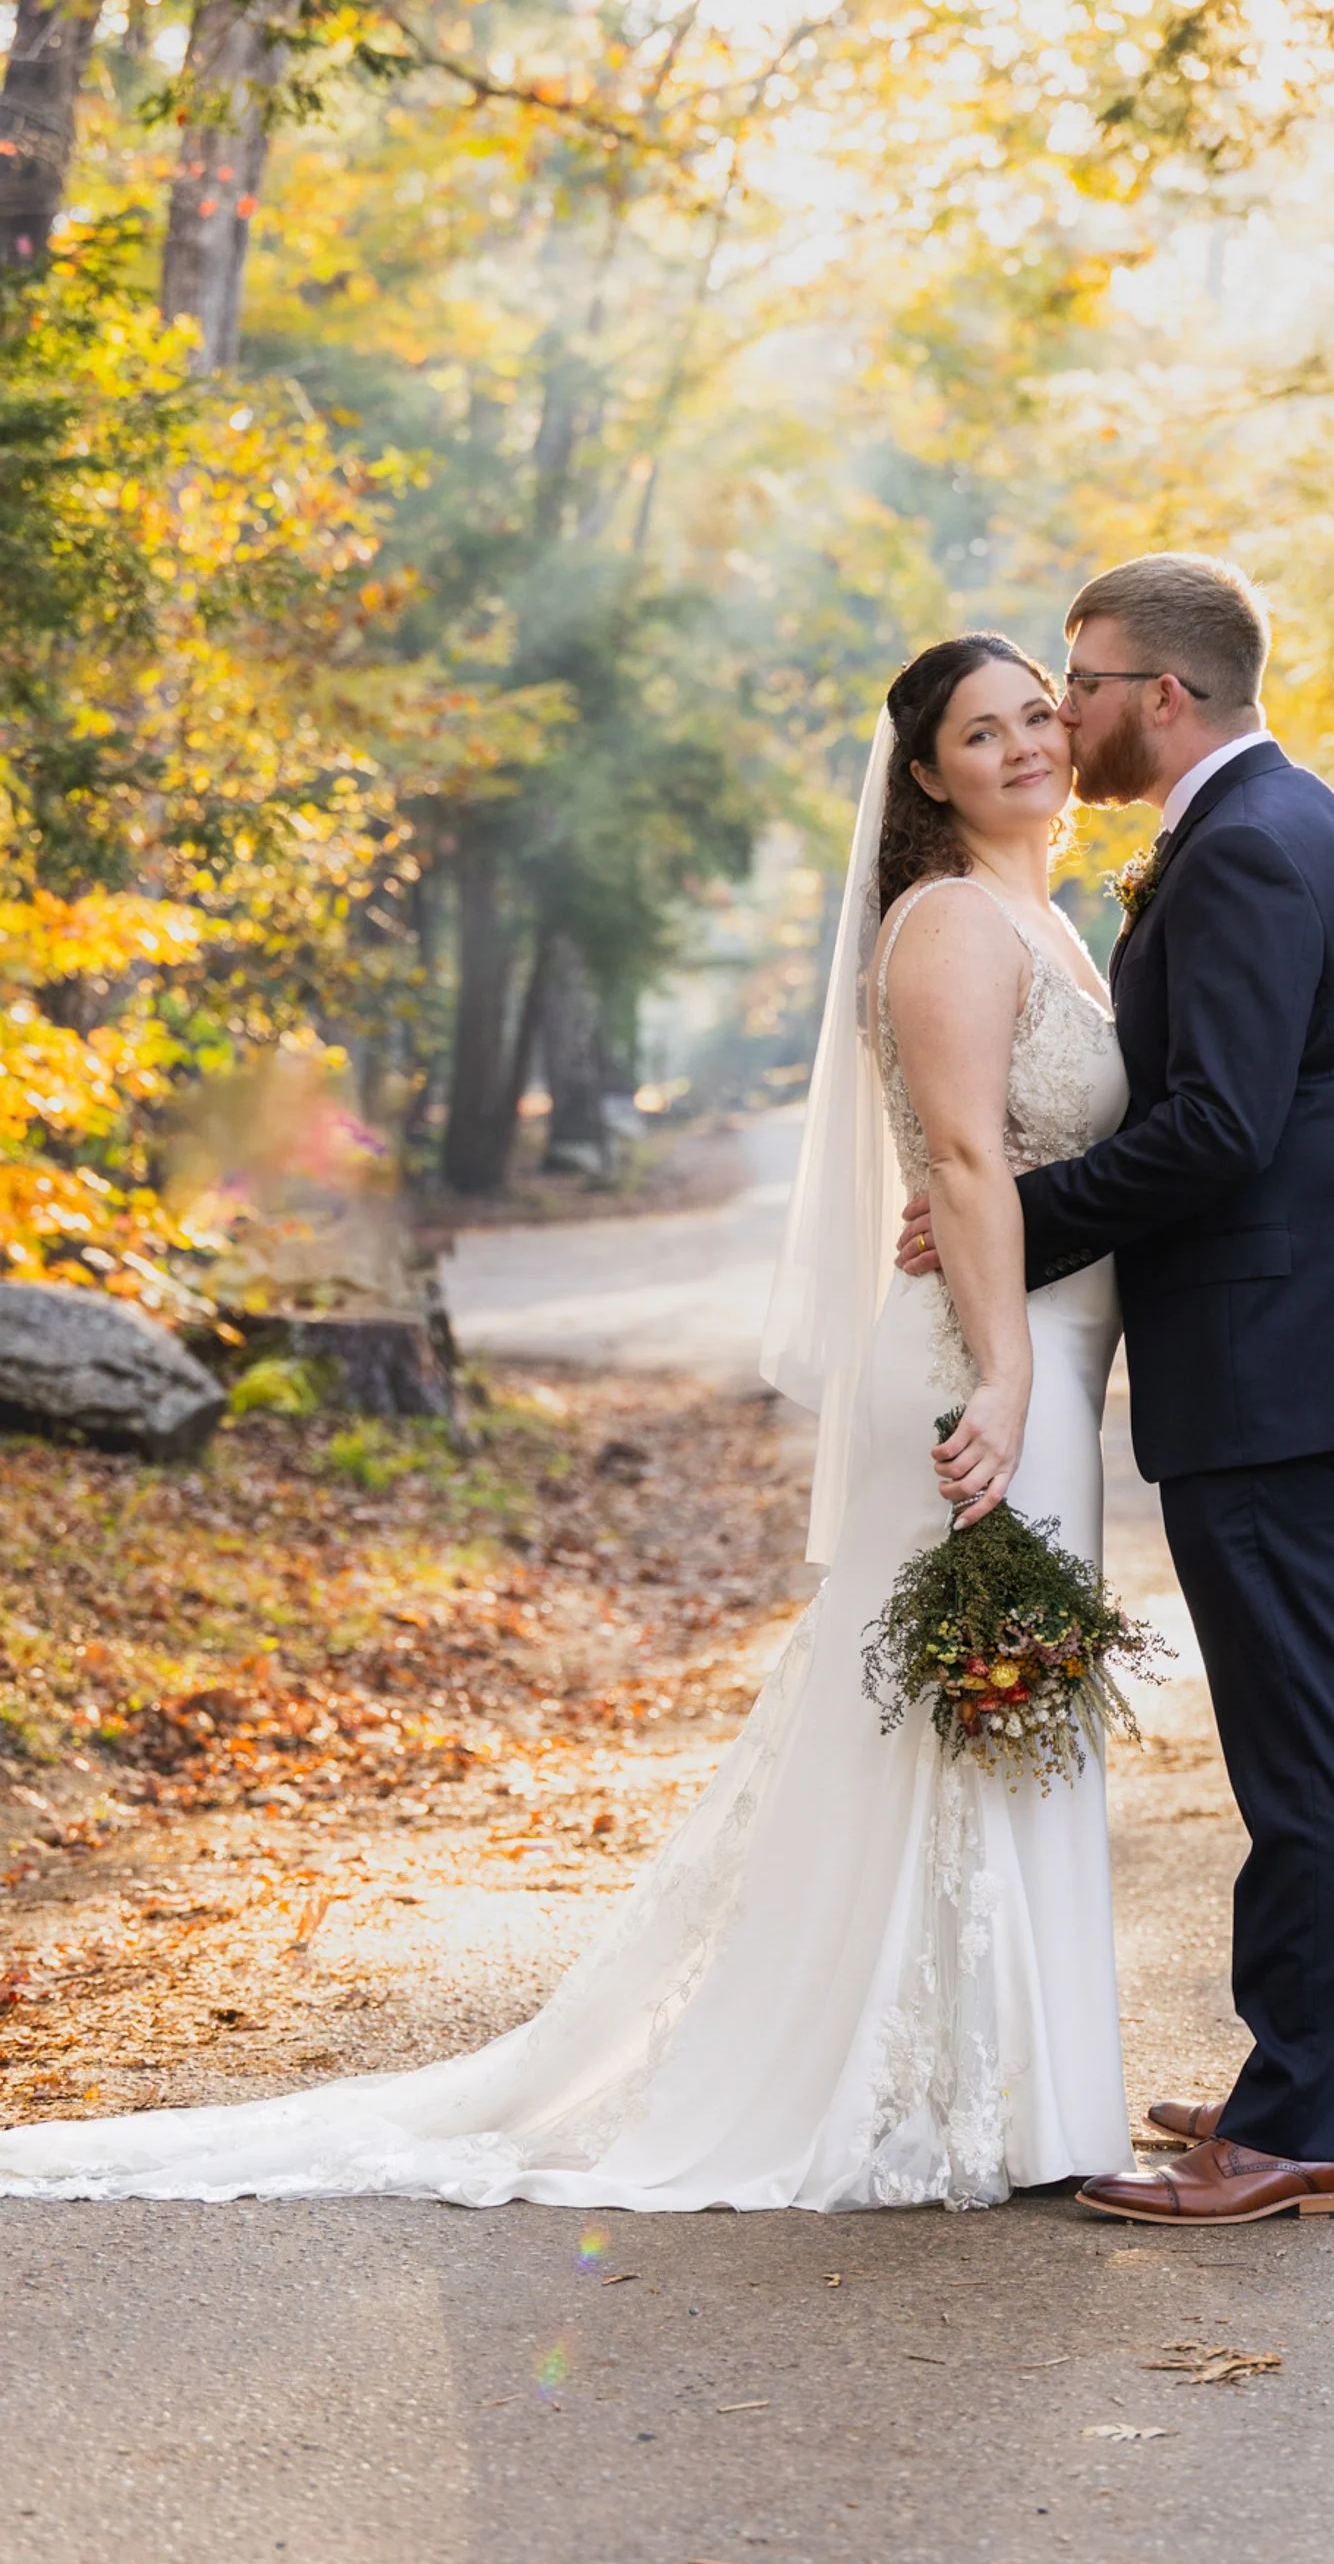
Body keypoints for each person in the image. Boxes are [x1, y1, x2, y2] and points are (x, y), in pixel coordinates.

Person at [0, 635, 1135, 2213]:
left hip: (1047, 1366)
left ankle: (1008, 2088)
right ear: (928, 777)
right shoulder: (947, 922)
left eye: (1036, 715)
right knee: (959, 1710)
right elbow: (957, 1158)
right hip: (974, 1372)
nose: (1025, 745)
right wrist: (1005, 1379)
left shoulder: (1052, 925)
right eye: (981, 729)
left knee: (1000, 1716)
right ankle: (921, 2092)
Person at [899, 553, 1334, 2226]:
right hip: (1296, 1345)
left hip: (1280, 1353)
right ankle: (1324, 2090)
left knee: (1301, 1746)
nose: (1064, 716)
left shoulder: (1247, 854)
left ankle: (1294, 2126)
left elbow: (1219, 1128)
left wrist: (1002, 1218)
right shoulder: (1269, 828)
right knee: (1313, 1731)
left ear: (1163, 695)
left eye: (1079, 682)